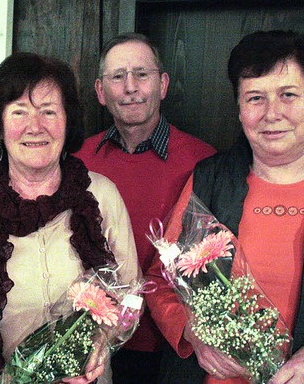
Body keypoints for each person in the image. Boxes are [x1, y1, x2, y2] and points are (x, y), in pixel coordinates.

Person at [0, 52, 141, 383]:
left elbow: (131, 295)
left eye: (49, 112)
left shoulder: (102, 197)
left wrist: (99, 346)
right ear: (0, 126)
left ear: (67, 122)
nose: (35, 126)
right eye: (19, 112)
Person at [146, 30, 304, 383]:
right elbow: (160, 282)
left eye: (288, 95)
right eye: (255, 98)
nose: (271, 113)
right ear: (238, 108)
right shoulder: (209, 180)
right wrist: (192, 332)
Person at [74, 32, 216, 382]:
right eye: (117, 77)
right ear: (100, 91)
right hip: (92, 340)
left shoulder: (205, 162)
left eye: (142, 74)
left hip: (172, 346)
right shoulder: (78, 160)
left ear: (163, 84)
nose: (130, 87)